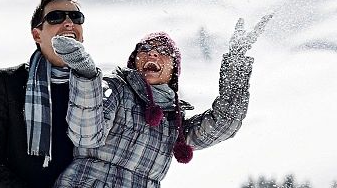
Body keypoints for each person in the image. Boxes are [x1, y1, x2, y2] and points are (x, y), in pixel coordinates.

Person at [49, 14, 272, 188]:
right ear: (134, 61)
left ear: (174, 71)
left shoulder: (173, 122)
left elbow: (224, 125)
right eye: (145, 49)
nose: (152, 54)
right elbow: (86, 133)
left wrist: (236, 63)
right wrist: (87, 74)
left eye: (163, 52)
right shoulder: (116, 89)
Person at [0, 0, 86, 188]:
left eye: (76, 17)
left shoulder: (100, 87)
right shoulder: (7, 82)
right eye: (56, 17)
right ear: (37, 35)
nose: (68, 22)